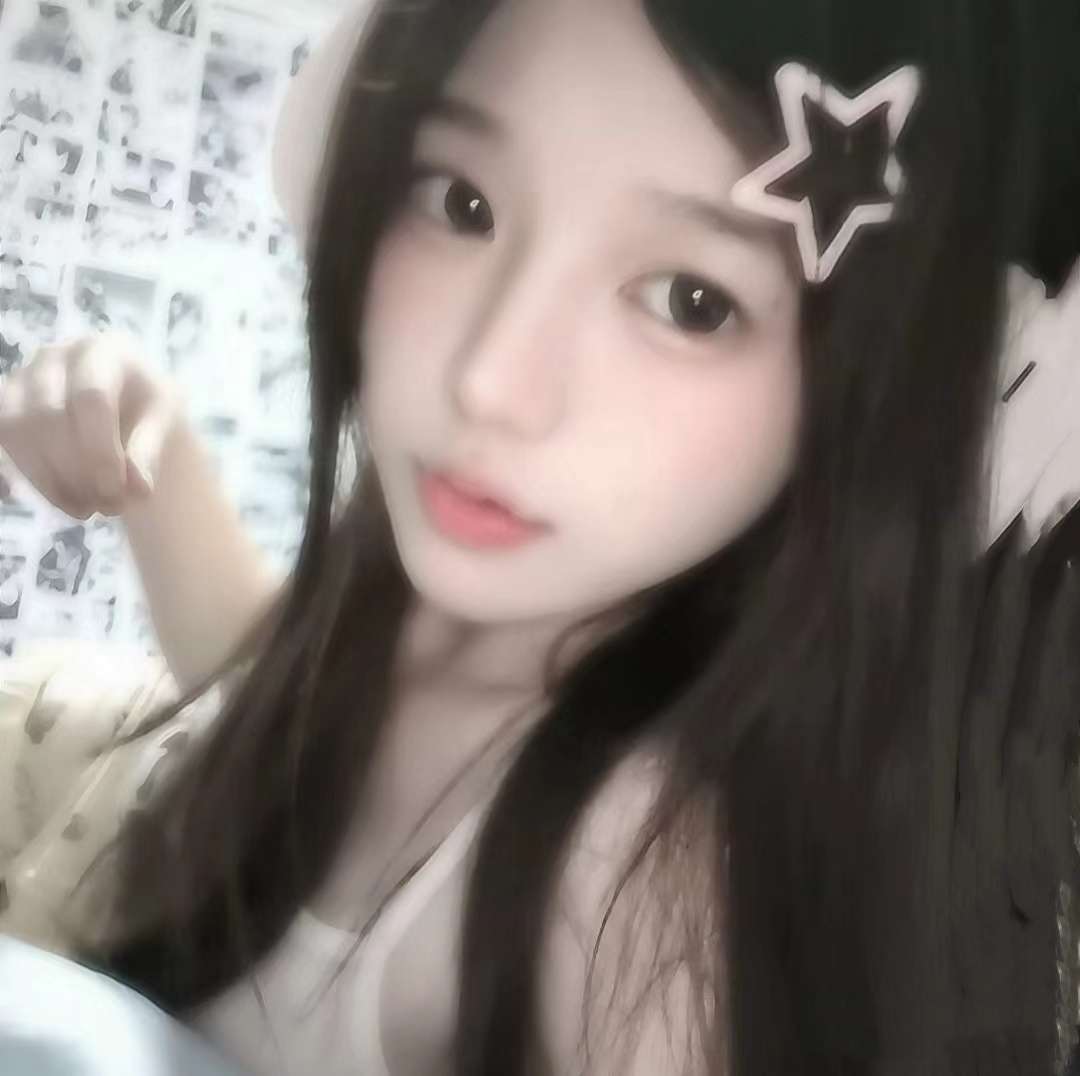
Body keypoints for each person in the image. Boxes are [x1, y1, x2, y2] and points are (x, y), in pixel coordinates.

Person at [0, 0, 1079, 1073]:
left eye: (692, 300)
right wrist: (153, 456)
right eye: (460, 202)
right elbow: (274, 688)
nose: (490, 379)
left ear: (861, 402)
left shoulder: (626, 885)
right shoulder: (422, 612)